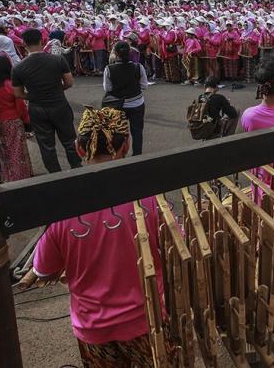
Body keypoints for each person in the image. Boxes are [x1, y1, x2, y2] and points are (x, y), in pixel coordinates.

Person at [19, 107, 164, 368]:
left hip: (94, 327)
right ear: (127, 145)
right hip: (148, 320)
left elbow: (43, 269)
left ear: (79, 148)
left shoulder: (63, 208)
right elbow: (174, 247)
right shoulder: (150, 199)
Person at [12, 28, 82, 173]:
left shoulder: (18, 67)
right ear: (42, 41)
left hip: (37, 107)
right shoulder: (57, 59)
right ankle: (77, 169)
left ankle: (54, 174)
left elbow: (18, 93)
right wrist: (56, 90)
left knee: (46, 145)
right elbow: (69, 82)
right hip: (58, 103)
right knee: (69, 140)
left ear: (23, 44)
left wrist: (33, 95)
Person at [0, 55, 33, 183]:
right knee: (16, 151)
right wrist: (27, 121)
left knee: (2, 151)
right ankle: (19, 177)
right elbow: (20, 106)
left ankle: (7, 176)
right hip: (12, 121)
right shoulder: (10, 85)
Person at [103, 41, 148, 156]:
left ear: (116, 54)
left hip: (118, 105)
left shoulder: (109, 68)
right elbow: (144, 86)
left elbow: (107, 88)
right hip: (137, 103)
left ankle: (119, 155)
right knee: (137, 132)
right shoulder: (138, 67)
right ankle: (137, 156)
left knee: (119, 133)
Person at [193, 76, 239, 140]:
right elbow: (233, 114)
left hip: (203, 127)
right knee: (236, 111)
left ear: (205, 86)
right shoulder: (219, 98)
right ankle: (228, 138)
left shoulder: (200, 97)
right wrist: (226, 104)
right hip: (215, 129)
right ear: (217, 87)